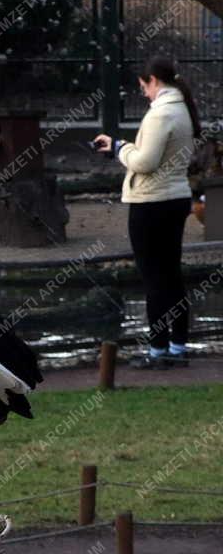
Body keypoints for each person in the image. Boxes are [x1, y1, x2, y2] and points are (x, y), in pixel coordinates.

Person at [94, 55, 200, 368]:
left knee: (153, 279)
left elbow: (144, 162)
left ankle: (157, 350)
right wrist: (122, 145)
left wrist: (117, 149)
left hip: (151, 203)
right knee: (172, 276)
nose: (144, 93)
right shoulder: (181, 108)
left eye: (144, 87)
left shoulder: (161, 113)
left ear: (154, 80)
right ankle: (178, 346)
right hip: (176, 198)